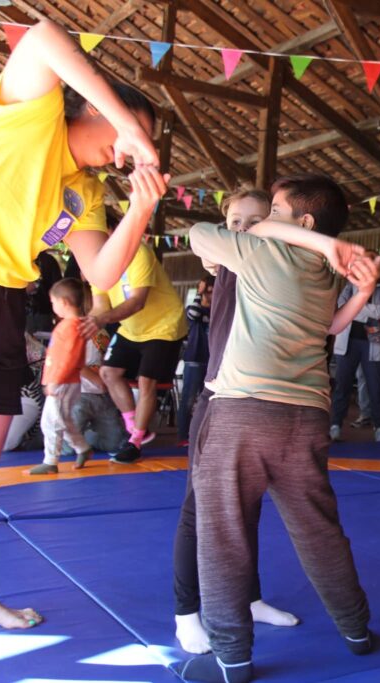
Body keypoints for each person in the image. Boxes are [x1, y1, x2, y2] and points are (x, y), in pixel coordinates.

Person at [0, 18, 165, 629]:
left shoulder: (83, 190)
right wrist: (132, 123)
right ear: (100, 110)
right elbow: (40, 36)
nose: (130, 148)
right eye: (131, 131)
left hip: (0, 303)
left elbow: (103, 269)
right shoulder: (35, 110)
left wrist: (142, 207)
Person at [182, 174, 374, 682]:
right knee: (319, 531)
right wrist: (327, 245)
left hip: (243, 411)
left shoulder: (260, 251)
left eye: (276, 210)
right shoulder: (326, 271)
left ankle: (230, 659)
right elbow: (331, 327)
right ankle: (356, 629)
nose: (264, 218)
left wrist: (298, 235)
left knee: (223, 536)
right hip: (306, 418)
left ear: (302, 223)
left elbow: (199, 233)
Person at [172, 189, 298, 656]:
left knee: (247, 508)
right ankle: (186, 615)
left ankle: (247, 598)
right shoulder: (229, 260)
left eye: (255, 220)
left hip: (258, 404)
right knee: (198, 511)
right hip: (219, 400)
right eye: (235, 220)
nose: (242, 228)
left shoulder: (280, 269)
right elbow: (205, 242)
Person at [84, 238, 187, 461]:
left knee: (145, 381)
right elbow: (100, 306)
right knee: (108, 373)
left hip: (163, 325)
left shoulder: (137, 251)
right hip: (131, 329)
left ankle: (135, 442)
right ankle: (134, 426)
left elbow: (137, 301)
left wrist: (100, 320)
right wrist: (81, 324)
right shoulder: (98, 267)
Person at [30, 278, 94, 475]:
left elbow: (68, 358)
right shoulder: (70, 326)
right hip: (63, 381)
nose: (53, 306)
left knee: (50, 421)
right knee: (63, 420)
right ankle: (82, 448)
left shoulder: (72, 327)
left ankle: (50, 460)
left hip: (63, 382)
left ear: (64, 302)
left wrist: (55, 381)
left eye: (53, 302)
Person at [330, 252, 380, 442]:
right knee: (342, 385)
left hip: (374, 344)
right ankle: (335, 425)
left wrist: (354, 308)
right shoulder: (350, 286)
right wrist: (363, 309)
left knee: (376, 387)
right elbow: (340, 306)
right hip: (348, 342)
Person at [71, 329, 130, 454]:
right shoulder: (75, 331)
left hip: (103, 396)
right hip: (80, 393)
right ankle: (65, 436)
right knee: (68, 448)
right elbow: (73, 362)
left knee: (114, 444)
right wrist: (99, 380)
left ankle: (87, 435)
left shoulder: (104, 333)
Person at [178, 274, 213, 446]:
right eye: (205, 292)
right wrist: (199, 293)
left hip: (211, 360)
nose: (208, 295)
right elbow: (193, 313)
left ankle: (205, 434)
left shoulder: (215, 311)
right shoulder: (194, 309)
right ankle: (184, 435)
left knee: (208, 399)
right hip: (194, 358)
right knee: (189, 399)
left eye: (210, 292)